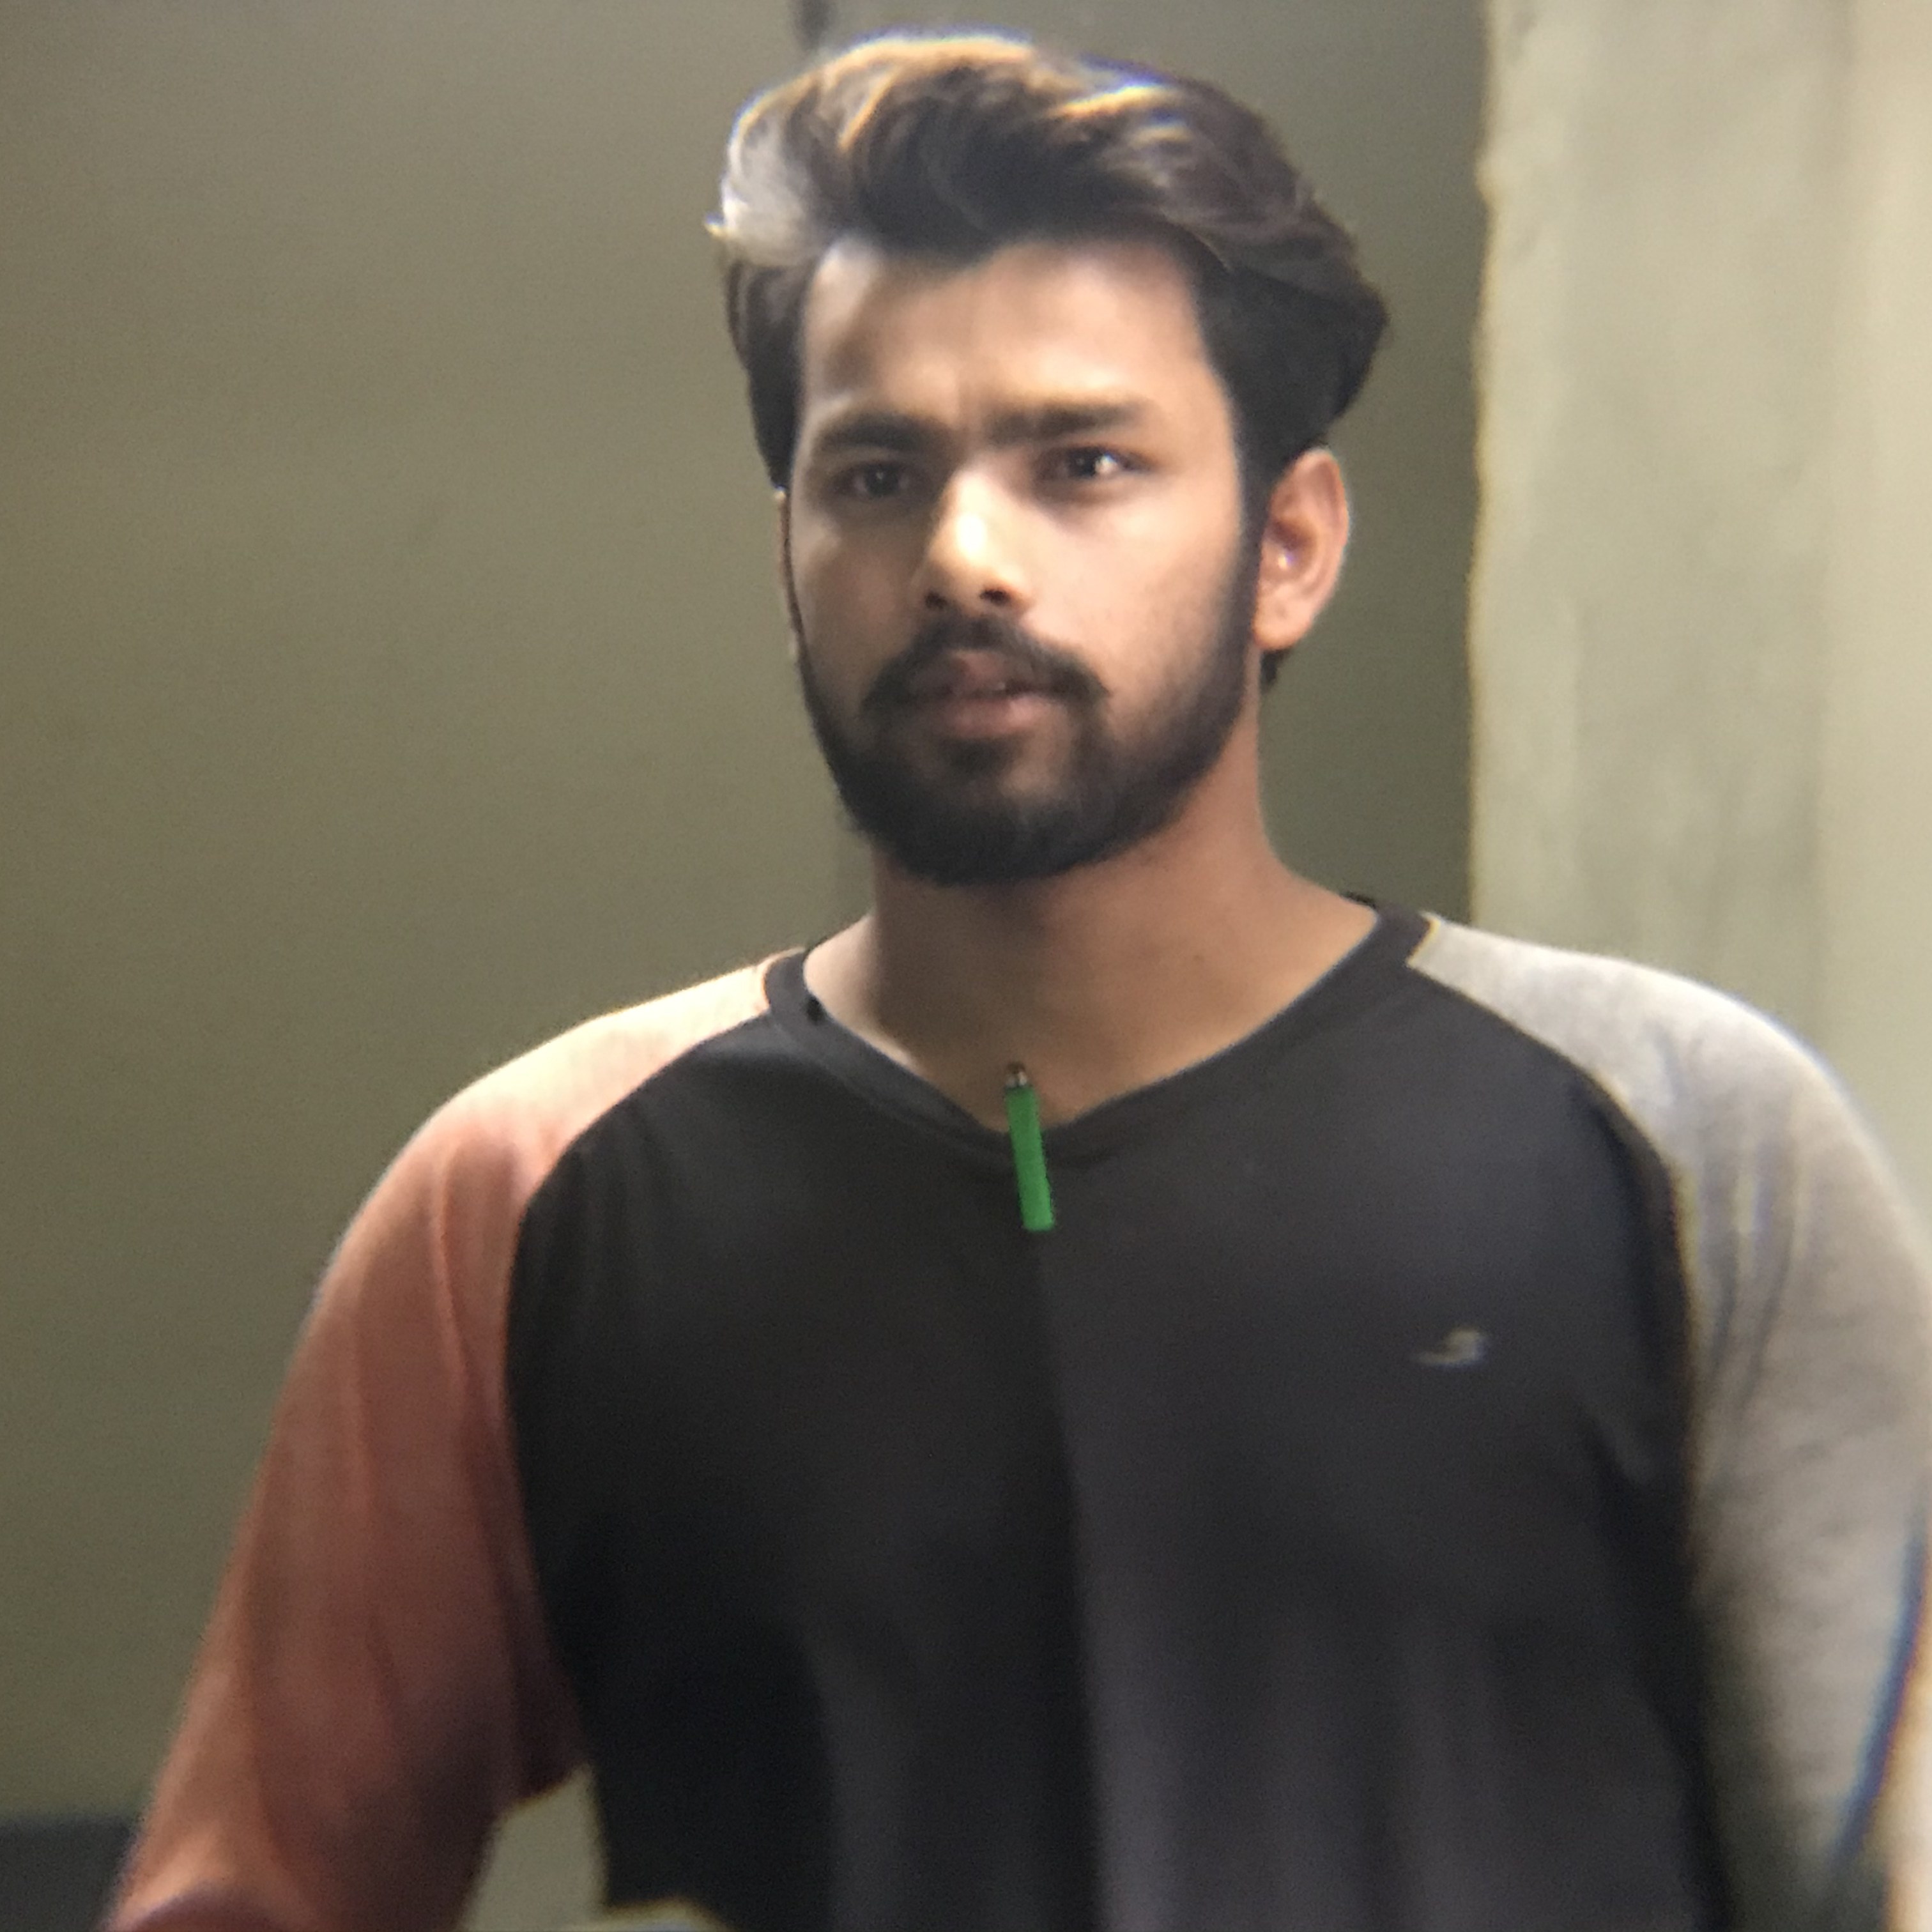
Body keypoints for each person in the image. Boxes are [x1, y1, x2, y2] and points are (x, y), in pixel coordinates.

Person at [111, 30, 1932, 1932]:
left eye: (1084, 465)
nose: (963, 557)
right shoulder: (530, 1197)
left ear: (1289, 544)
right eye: (877, 474)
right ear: (789, 554)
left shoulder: (1685, 1145)